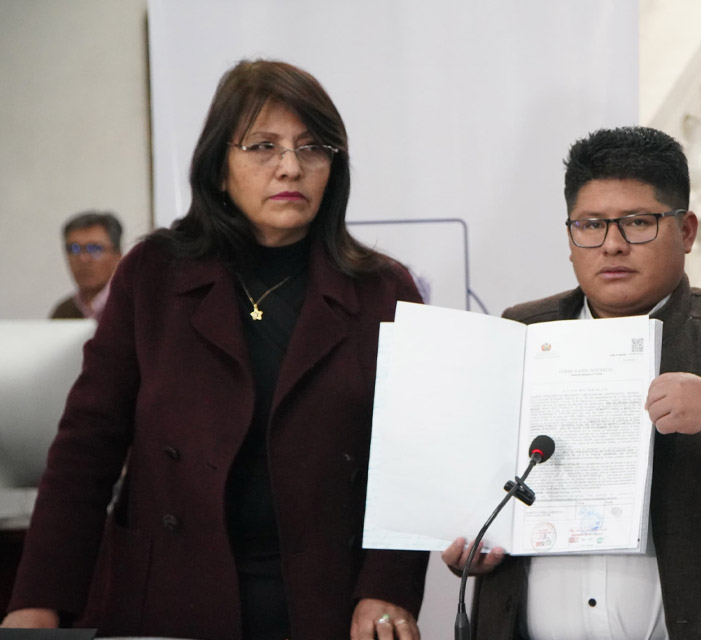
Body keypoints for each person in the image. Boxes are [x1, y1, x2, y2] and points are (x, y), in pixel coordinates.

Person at [3, 60, 428, 640]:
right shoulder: (153, 276)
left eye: (313, 147)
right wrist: (38, 600)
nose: (290, 166)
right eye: (263, 146)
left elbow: (410, 459)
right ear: (218, 168)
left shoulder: (382, 288)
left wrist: (387, 586)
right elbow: (86, 448)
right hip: (171, 594)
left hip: (326, 599)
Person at [440, 126, 701, 639]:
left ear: (687, 231)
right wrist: (470, 540)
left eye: (637, 223)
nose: (612, 245)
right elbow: (477, 487)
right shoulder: (519, 332)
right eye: (590, 225)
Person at [50, 210, 124, 320]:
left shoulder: (133, 307)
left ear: (117, 257)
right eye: (74, 249)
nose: (83, 258)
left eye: (94, 248)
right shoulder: (63, 312)